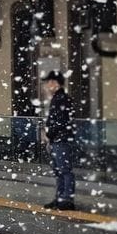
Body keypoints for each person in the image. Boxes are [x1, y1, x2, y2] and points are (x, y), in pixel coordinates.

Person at [41, 71, 77, 210]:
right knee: (59, 170)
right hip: (59, 139)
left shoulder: (61, 98)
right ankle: (60, 198)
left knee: (64, 170)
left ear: (55, 83)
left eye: (48, 82)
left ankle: (66, 199)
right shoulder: (59, 98)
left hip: (61, 139)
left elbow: (60, 122)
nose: (47, 85)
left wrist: (49, 134)